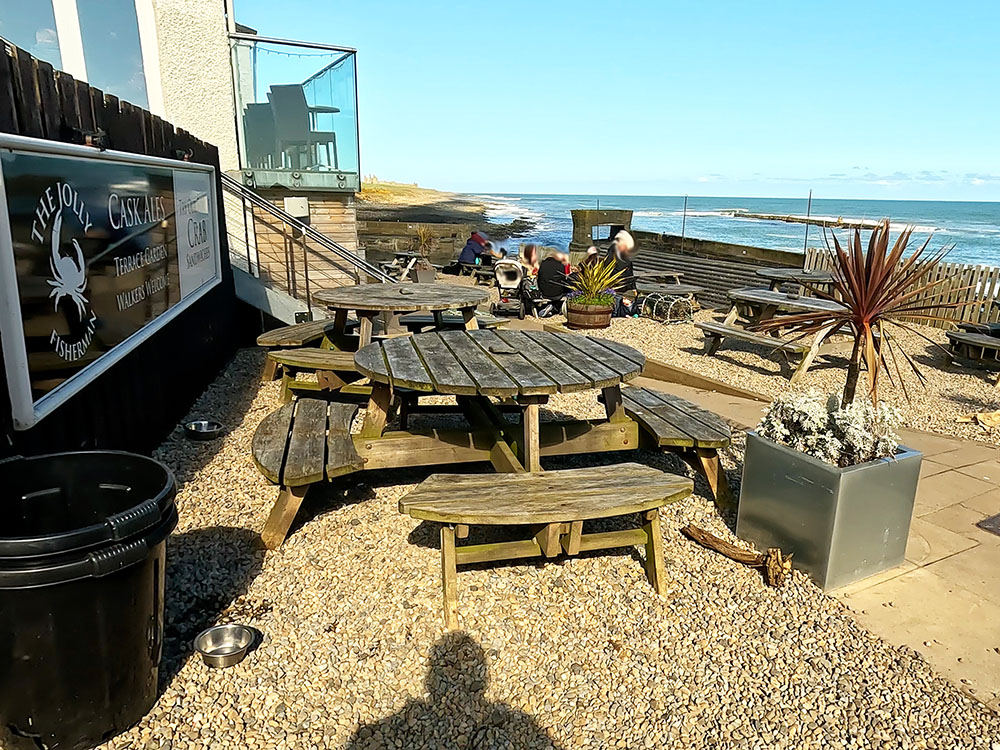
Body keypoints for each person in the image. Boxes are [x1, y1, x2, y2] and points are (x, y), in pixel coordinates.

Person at [605, 230, 637, 316]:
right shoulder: (613, 252)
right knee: (617, 303)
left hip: (626, 283)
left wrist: (634, 287)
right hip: (615, 283)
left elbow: (630, 271)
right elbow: (607, 268)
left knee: (626, 303)